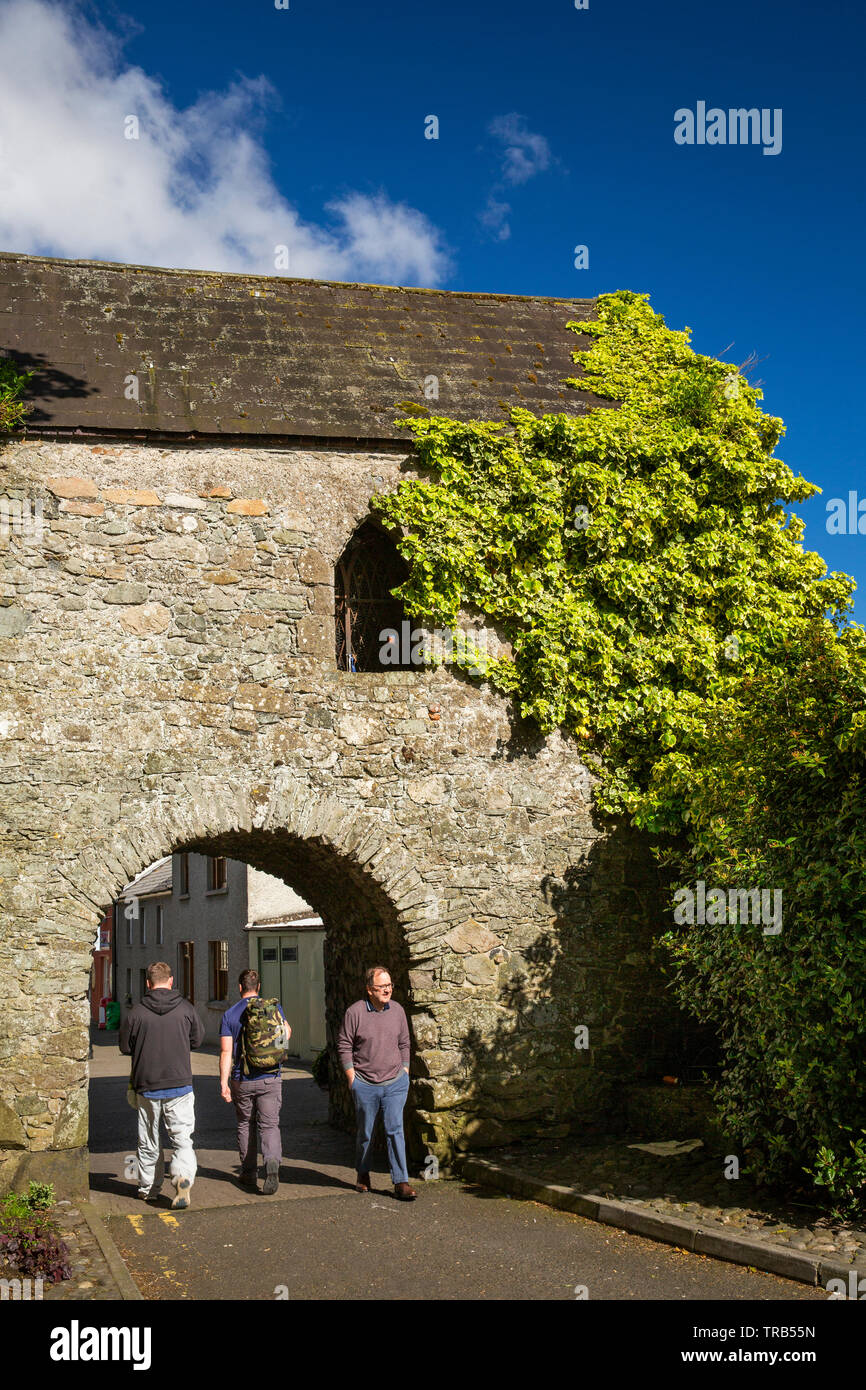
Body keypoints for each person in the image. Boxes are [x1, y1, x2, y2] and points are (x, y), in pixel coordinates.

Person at [119, 960, 204, 1209]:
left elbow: (125, 1047)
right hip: (180, 1083)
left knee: (148, 1140)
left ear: (148, 983)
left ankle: (148, 1188)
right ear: (171, 981)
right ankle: (182, 1177)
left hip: (147, 1084)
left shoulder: (136, 1012)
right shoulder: (186, 1009)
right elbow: (197, 1041)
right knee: (182, 1139)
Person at [337, 965, 416, 1201]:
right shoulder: (355, 1013)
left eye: (390, 985)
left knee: (395, 1130)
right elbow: (344, 1045)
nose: (388, 990)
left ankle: (401, 1181)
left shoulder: (398, 1011)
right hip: (365, 1084)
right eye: (382, 986)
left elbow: (405, 1042)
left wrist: (405, 1070)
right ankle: (363, 1173)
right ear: (369, 989)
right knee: (366, 1133)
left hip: (395, 1082)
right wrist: (352, 1077)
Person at [219, 969, 290, 1195]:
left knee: (245, 1124)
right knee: (269, 1125)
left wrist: (224, 1083)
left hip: (243, 1079)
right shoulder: (272, 1008)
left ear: (240, 987)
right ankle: (271, 1162)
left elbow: (225, 1051)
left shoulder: (230, 1015)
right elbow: (287, 1031)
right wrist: (276, 1053)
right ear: (258, 987)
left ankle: (249, 1173)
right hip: (270, 1076)